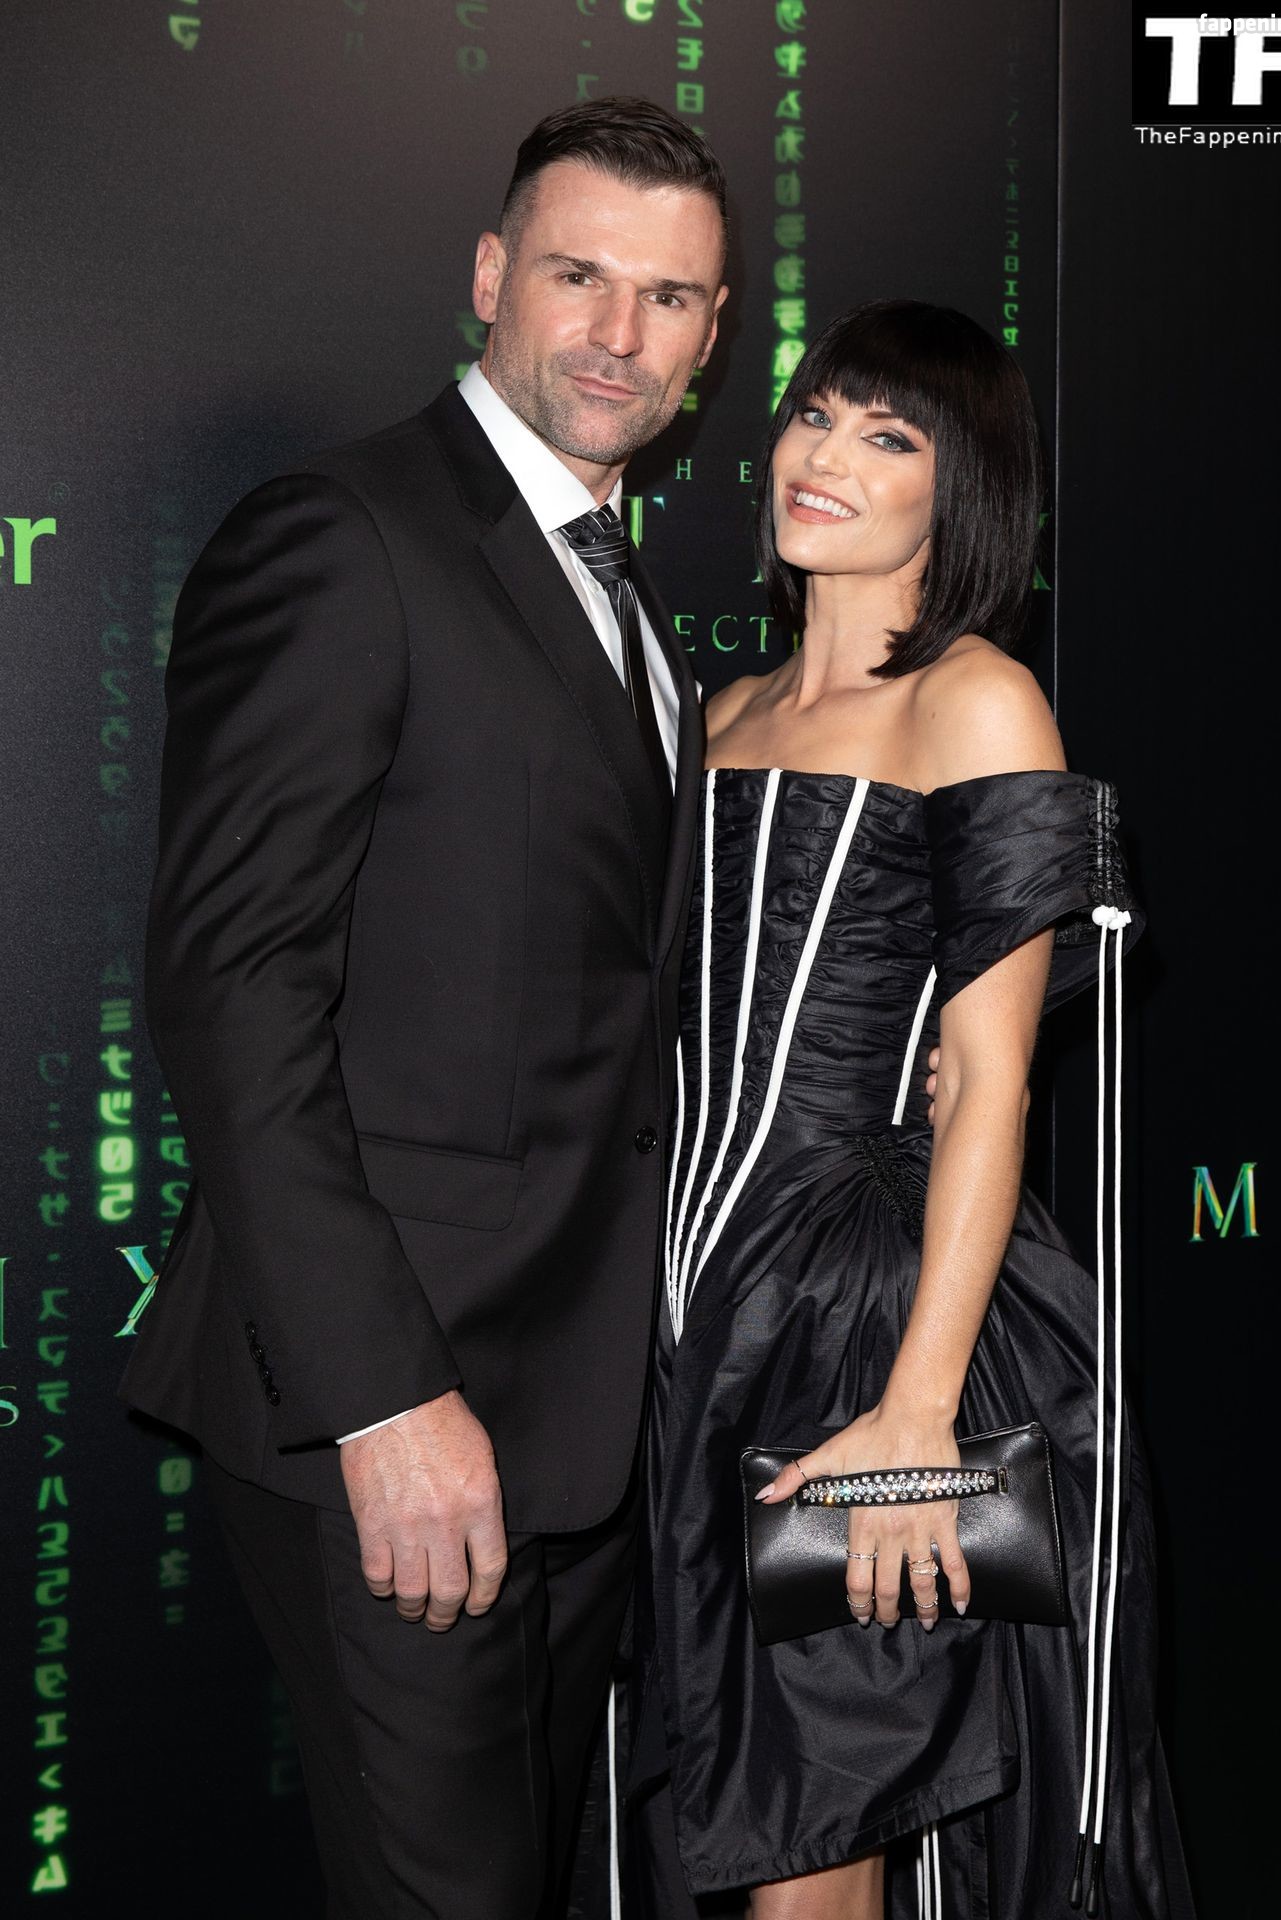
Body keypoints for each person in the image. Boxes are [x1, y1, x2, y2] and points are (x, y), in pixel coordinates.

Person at [119, 97, 729, 1920]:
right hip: (399, 1416)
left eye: (669, 298)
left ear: (713, 336)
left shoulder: (629, 597)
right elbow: (233, 991)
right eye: (577, 276)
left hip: (579, 1421)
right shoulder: (344, 536)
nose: (618, 334)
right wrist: (384, 1404)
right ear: (488, 276)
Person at [627, 302, 1194, 1919]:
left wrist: (919, 1414)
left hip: (862, 1327)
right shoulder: (713, 715)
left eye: (890, 437)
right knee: (730, 1818)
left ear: (963, 498)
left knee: (816, 1829)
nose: (825, 455)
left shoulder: (973, 699)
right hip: (681, 1330)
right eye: (817, 412)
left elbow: (993, 1077)